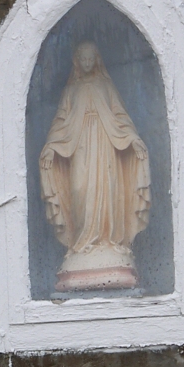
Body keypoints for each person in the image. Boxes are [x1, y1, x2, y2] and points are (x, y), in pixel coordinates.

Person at [39, 41, 151, 291]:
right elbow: (60, 122)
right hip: (79, 148)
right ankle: (81, 243)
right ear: (77, 62)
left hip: (106, 146)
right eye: (84, 59)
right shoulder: (71, 91)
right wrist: (51, 146)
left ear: (97, 60)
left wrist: (133, 139)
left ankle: (109, 242)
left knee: (107, 192)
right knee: (80, 190)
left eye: (91, 59)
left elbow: (120, 117)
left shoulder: (106, 86)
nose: (88, 63)